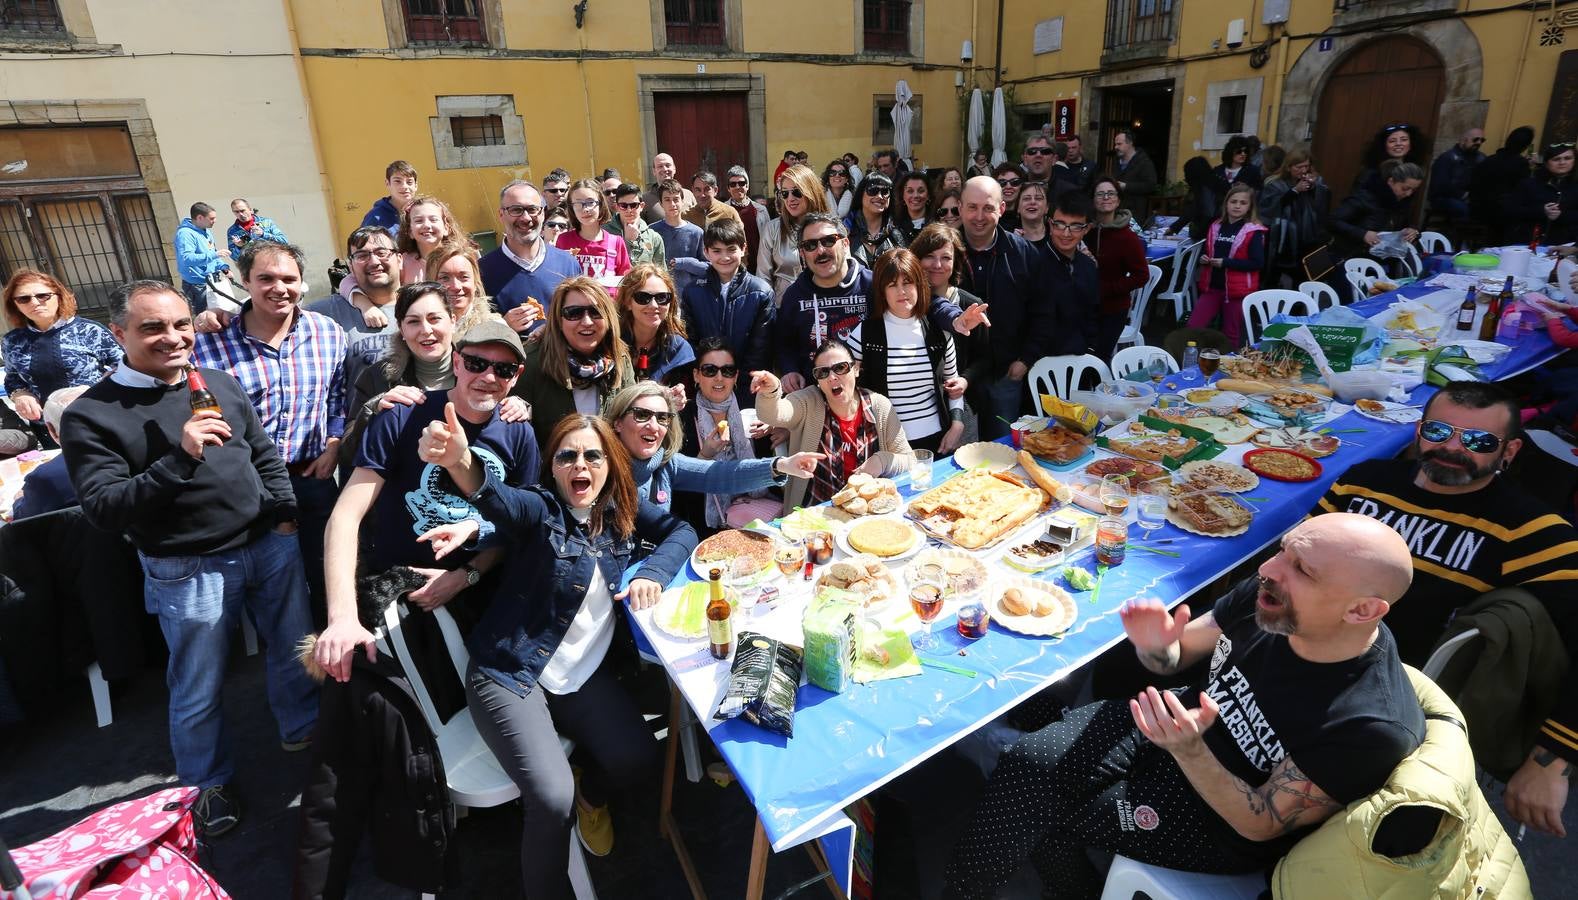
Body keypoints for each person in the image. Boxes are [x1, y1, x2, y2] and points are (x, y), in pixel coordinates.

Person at [945, 514, 1425, 899]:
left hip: (1216, 816)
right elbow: (1176, 657)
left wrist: (1191, 750)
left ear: (1363, 611)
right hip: (1172, 726)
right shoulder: (1272, 597)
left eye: (1303, 569)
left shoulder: (1369, 723)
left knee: (1048, 811)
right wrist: (1155, 647)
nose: (1270, 569)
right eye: (1284, 550)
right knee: (1025, 767)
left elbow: (1260, 823)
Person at [354, 409, 695, 891]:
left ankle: (591, 798)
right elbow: (498, 500)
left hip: (580, 678)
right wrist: (459, 462)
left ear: (611, 464)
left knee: (638, 757)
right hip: (510, 675)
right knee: (553, 799)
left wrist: (651, 572)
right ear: (552, 467)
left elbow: (682, 532)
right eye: (567, 456)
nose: (581, 465)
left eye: (593, 456)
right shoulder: (540, 509)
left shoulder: (622, 509)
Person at [61, 279, 319, 836]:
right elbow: (105, 509)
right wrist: (180, 457)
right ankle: (205, 784)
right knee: (198, 686)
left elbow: (263, 453)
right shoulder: (91, 415)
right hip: (189, 568)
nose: (173, 337)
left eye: (180, 324)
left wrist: (284, 512)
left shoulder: (219, 382)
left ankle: (302, 730)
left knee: (293, 653)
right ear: (119, 334)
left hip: (267, 546)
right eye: (152, 327)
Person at [1313, 381, 1578, 835]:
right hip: (1297, 660)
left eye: (1477, 441)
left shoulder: (1530, 532)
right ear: (1419, 431)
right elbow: (1290, 567)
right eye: (1439, 431)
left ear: (1509, 451)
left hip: (1390, 714)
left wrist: (1551, 762)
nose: (1452, 448)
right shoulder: (1363, 483)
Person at [318, 319, 538, 668]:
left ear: (517, 376)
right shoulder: (403, 415)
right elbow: (346, 516)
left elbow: (518, 528)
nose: (489, 377)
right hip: (395, 593)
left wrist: (465, 576)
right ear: (456, 362)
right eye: (476, 364)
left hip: (478, 598)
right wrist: (342, 617)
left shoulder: (518, 432)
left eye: (504, 369)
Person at [193, 240, 346, 623]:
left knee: (326, 578)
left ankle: (336, 664)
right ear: (245, 281)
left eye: (289, 279)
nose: (280, 288)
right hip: (248, 486)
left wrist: (334, 443)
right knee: (273, 592)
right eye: (266, 278)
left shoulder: (328, 333)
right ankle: (288, 664)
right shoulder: (209, 344)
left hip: (312, 477)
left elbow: (337, 397)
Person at [606, 380, 817, 515]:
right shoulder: (598, 470)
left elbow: (721, 475)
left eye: (662, 417)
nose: (653, 426)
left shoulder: (667, 464)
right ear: (617, 422)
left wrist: (781, 465)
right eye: (642, 415)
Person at [751, 340, 915, 512]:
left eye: (841, 368)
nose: (832, 377)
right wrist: (771, 391)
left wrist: (881, 461)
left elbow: (909, 460)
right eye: (823, 372)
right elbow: (773, 413)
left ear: (856, 369)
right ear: (817, 380)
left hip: (868, 513)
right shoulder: (807, 402)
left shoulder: (879, 406)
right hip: (816, 515)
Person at [956, 176, 1055, 437]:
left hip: (1004, 374)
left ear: (1001, 209)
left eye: (987, 208)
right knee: (958, 457)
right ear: (960, 207)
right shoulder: (944, 252)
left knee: (1004, 451)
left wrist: (1026, 360)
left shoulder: (1023, 253)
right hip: (955, 377)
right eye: (972, 207)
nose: (979, 216)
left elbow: (1044, 311)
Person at [843, 248, 966, 455]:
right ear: (882, 291)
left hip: (938, 442)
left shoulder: (939, 333)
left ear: (919, 284)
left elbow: (954, 387)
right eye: (892, 285)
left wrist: (957, 424)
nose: (901, 291)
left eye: (907, 282)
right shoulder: (864, 334)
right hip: (887, 446)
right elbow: (846, 387)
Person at [514, 276, 634, 447]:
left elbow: (630, 423)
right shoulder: (532, 362)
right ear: (559, 320)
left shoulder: (620, 359)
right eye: (574, 313)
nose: (586, 322)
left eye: (596, 312)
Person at [675, 337, 781, 529]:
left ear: (736, 376)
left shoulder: (752, 412)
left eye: (727, 371)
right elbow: (678, 487)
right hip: (704, 525)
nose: (719, 377)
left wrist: (777, 427)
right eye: (710, 370)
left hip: (752, 516)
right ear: (696, 375)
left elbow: (774, 465)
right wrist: (705, 455)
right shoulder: (682, 418)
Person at [1, 269, 121, 438]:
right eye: (24, 298)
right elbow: (12, 378)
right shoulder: (12, 340)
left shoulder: (89, 331)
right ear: (15, 305)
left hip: (99, 421)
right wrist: (20, 394)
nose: (34, 303)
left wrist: (99, 389)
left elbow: (124, 365)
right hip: (49, 430)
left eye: (43, 296)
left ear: (58, 296)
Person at [306, 227, 401, 415]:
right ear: (350, 266)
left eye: (382, 253)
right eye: (362, 255)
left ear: (399, 259)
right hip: (357, 432)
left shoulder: (423, 307)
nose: (374, 261)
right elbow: (272, 321)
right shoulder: (326, 312)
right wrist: (229, 318)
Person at [680, 218, 774, 402]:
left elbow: (761, 349)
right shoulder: (693, 291)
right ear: (706, 252)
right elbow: (690, 339)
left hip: (748, 386)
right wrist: (706, 376)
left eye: (731, 249)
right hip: (706, 384)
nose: (724, 257)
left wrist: (740, 379)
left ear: (743, 248)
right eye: (717, 251)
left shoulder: (760, 292)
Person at [480, 180, 580, 336]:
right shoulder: (482, 271)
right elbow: (475, 332)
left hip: (562, 359)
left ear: (543, 213)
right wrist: (502, 326)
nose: (526, 218)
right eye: (516, 210)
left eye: (532, 209)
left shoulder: (568, 263)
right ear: (501, 215)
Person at [1186, 184, 1269, 348]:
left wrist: (1226, 262)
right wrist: (1203, 258)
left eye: (1243, 203)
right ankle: (1192, 366)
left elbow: (1258, 263)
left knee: (1231, 333)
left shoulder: (1253, 231)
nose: (1237, 206)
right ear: (1226, 203)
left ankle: (1226, 368)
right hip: (1212, 287)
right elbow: (1208, 250)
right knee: (1193, 327)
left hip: (1236, 292)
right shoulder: (1216, 225)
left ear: (1250, 206)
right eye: (1234, 201)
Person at [1088, 176, 1151, 360]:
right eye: (1100, 194)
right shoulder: (1085, 230)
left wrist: (1110, 288)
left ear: (1118, 200)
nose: (1105, 197)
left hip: (1113, 308)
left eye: (1110, 193)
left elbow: (1141, 275)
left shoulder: (1127, 237)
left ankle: (1103, 389)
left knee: (1100, 357)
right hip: (1084, 306)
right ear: (1093, 199)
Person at [1258, 146, 1332, 286]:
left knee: (1303, 279)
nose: (1303, 171)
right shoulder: (1275, 184)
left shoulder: (1315, 181)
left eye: (1306, 166)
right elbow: (1269, 208)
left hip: (1306, 239)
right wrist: (1294, 191)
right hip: (1282, 239)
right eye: (1299, 167)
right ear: (1288, 167)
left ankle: (1298, 305)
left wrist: (1314, 188)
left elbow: (1322, 207)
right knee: (1272, 277)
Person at [1328, 159, 1424, 266]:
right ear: (1391, 181)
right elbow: (1332, 220)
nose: (1409, 194)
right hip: (1352, 258)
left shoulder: (1404, 202)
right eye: (1405, 188)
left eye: (1413, 190)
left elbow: (1406, 224)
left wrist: (1413, 231)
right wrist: (1363, 234)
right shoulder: (1365, 198)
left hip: (1384, 260)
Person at [10, 384, 84, 519]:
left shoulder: (46, 477)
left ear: (52, 430)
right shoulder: (132, 450)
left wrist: (18, 500)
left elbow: (23, 519)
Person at [757, 164, 831, 300]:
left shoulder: (831, 228)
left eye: (796, 192)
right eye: (785, 193)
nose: (790, 198)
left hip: (824, 307)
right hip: (784, 309)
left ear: (811, 191)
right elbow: (763, 278)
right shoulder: (772, 229)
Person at [1041, 190, 1100, 357]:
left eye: (1075, 226)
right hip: (1041, 361)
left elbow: (1093, 314)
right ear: (1050, 225)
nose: (1066, 233)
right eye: (1060, 224)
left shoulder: (1088, 266)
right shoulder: (1034, 264)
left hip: (1081, 357)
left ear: (1086, 229)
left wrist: (1091, 348)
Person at [616, 264, 694, 385]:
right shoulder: (609, 342)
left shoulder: (678, 350)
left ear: (670, 303)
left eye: (662, 297)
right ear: (628, 302)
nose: (653, 305)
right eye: (643, 297)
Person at [556, 178, 631, 282]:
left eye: (590, 202)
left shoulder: (616, 243)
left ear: (600, 205)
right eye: (578, 203)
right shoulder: (564, 241)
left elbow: (625, 284)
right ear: (571, 208)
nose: (585, 209)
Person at [1471, 126, 1536, 245]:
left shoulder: (1489, 159)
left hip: (1477, 208)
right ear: (1526, 146)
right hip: (1501, 213)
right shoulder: (1521, 164)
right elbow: (1523, 190)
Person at [1507, 141, 1578, 245]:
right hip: (1527, 242)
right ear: (1546, 162)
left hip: (1564, 245)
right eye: (1556, 159)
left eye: (1567, 158)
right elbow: (1511, 210)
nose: (1562, 162)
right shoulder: (1529, 184)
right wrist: (1541, 211)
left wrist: (1561, 215)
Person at [428, 242, 496, 337]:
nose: (456, 287)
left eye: (463, 277)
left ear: (476, 282)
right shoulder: (422, 332)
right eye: (444, 278)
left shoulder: (494, 328)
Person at [173, 202, 230, 314]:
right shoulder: (185, 234)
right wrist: (215, 255)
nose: (215, 221)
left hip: (212, 281)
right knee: (205, 320)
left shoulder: (206, 231)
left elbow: (212, 252)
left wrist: (223, 267)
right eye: (212, 218)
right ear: (200, 217)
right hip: (197, 285)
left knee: (221, 315)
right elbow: (186, 258)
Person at [846, 173, 904, 267]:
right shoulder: (846, 230)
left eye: (885, 191)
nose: (880, 196)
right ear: (861, 194)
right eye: (873, 190)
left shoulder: (896, 235)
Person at [605, 182, 667, 270]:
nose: (629, 210)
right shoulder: (604, 233)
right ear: (617, 207)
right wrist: (628, 241)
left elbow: (662, 274)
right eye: (623, 206)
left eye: (634, 205)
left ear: (641, 206)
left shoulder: (653, 237)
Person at [1429, 127, 1486, 222]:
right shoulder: (1447, 158)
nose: (1479, 143)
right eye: (1475, 139)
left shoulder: (1481, 158)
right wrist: (1463, 195)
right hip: (1444, 197)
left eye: (1482, 140)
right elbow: (1439, 185)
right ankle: (1458, 234)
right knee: (1462, 208)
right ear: (1464, 140)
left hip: (1469, 197)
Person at [649, 178, 705, 267]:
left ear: (682, 201)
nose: (672, 204)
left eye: (676, 199)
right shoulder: (651, 231)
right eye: (667, 200)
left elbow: (706, 265)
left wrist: (686, 263)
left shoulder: (697, 233)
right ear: (661, 204)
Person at [1356, 123, 1430, 190]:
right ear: (1384, 146)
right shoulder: (1371, 173)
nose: (1398, 143)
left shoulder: (1414, 171)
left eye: (1404, 140)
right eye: (1392, 141)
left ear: (1411, 144)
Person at [1167, 156, 1220, 242]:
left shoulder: (1204, 189)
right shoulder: (1211, 185)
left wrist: (1174, 227)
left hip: (1205, 235)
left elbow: (1198, 211)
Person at [1111, 130, 1159, 225]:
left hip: (1136, 213)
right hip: (1117, 210)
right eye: (1115, 144)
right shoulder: (1116, 161)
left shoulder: (1144, 162)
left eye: (1119, 144)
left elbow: (1151, 185)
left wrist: (1126, 186)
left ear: (1130, 143)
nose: (1116, 147)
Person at [723, 165, 769, 263]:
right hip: (731, 264)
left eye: (741, 183)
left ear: (747, 186)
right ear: (728, 188)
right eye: (733, 184)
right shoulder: (723, 210)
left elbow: (768, 241)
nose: (737, 187)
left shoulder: (761, 210)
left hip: (758, 265)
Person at [362, 160, 419, 236]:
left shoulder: (423, 211)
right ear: (388, 184)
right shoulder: (375, 217)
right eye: (397, 181)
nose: (404, 186)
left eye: (409, 182)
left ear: (415, 186)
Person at [641, 152, 696, 223]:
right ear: (654, 171)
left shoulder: (688, 195)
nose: (665, 169)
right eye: (660, 166)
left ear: (674, 169)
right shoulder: (645, 200)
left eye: (668, 165)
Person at [895, 171, 934, 245]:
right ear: (902, 196)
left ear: (928, 195)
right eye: (910, 191)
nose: (915, 195)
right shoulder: (895, 227)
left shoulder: (938, 224)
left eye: (921, 191)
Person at [1013, 180, 1050, 255]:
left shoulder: (1059, 236)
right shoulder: (1009, 240)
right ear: (1018, 208)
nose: (1032, 202)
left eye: (1038, 198)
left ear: (1047, 208)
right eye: (1026, 199)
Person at [992, 162, 1027, 231]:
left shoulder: (1029, 215)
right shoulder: (990, 216)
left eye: (1014, 182)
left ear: (1022, 185)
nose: (1008, 186)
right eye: (1002, 183)